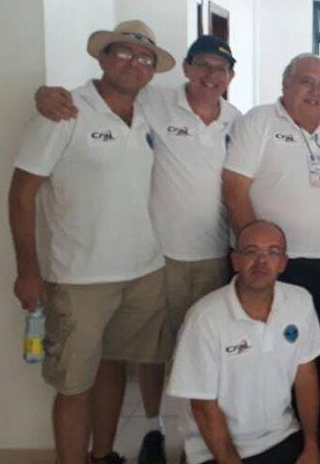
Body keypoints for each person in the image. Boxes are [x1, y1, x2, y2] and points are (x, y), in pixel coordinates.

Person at [32, 34, 243, 463]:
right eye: (202, 65)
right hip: (158, 257)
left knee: (205, 352)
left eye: (220, 69)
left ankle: (197, 437)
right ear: (186, 68)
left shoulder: (236, 120)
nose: (211, 75)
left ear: (230, 76)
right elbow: (105, 94)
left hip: (212, 256)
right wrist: (43, 95)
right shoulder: (154, 102)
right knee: (151, 353)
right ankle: (153, 429)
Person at [8, 20, 174, 464]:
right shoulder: (64, 111)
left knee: (113, 367)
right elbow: (21, 194)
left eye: (145, 58)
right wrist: (27, 270)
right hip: (80, 277)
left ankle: (103, 455)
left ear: (152, 71)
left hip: (142, 270)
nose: (134, 63)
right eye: (124, 53)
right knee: (73, 384)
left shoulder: (148, 112)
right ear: (102, 57)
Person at [222, 53, 320, 444]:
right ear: (285, 84)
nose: (315, 92)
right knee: (268, 346)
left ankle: (317, 422)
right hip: (272, 264)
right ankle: (269, 428)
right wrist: (255, 255)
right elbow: (234, 189)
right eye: (306, 82)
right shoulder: (259, 122)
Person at [167, 221, 320, 464]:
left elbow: (306, 377)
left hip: (280, 435)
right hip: (213, 448)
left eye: (273, 252)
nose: (262, 261)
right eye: (251, 251)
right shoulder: (204, 318)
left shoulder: (300, 302)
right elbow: (203, 405)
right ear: (235, 260)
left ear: (283, 263)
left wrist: (311, 445)